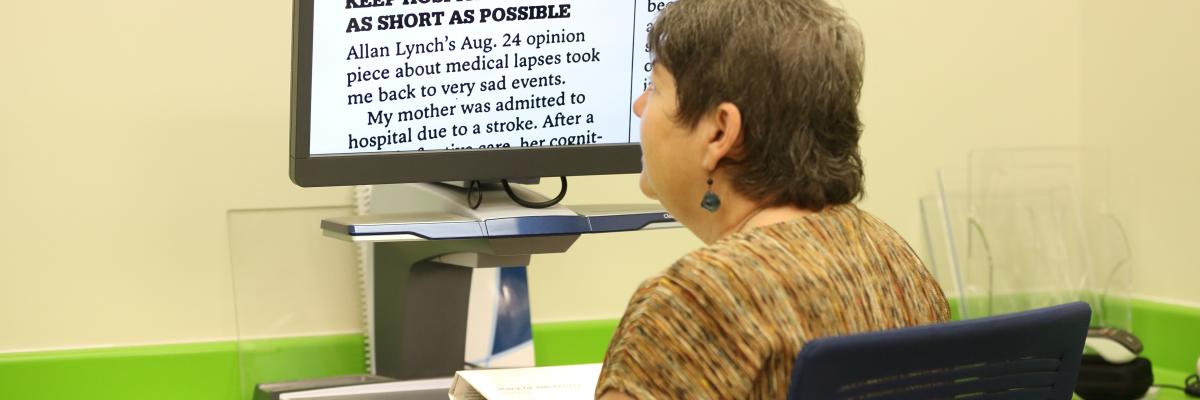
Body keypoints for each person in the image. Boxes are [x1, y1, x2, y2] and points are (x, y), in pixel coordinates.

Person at [595, 0, 950, 398]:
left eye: (656, 87)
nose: (639, 105)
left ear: (719, 133)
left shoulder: (695, 302)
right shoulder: (895, 261)